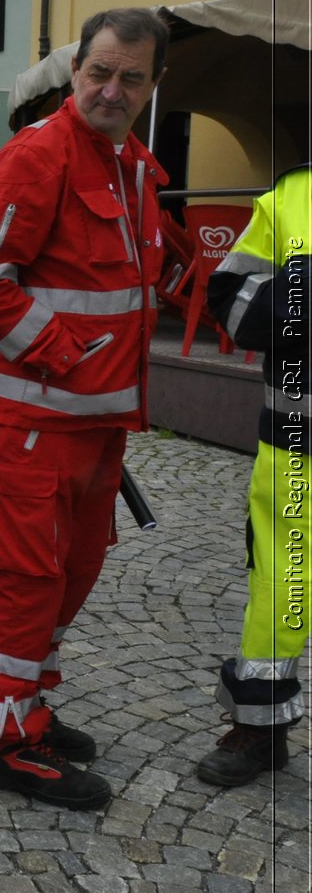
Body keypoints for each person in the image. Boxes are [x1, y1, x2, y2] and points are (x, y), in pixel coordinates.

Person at [0, 8, 170, 810]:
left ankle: (31, 706)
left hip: (94, 424)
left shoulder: (133, 166)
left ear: (151, 85)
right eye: (99, 72)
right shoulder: (39, 155)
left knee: (73, 574)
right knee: (30, 579)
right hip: (32, 420)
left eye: (130, 78)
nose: (112, 89)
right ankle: (8, 742)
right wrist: (69, 355)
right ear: (75, 71)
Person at [198, 163, 311, 785]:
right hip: (296, 448)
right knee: (278, 595)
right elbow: (231, 304)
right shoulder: (292, 198)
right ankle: (261, 731)